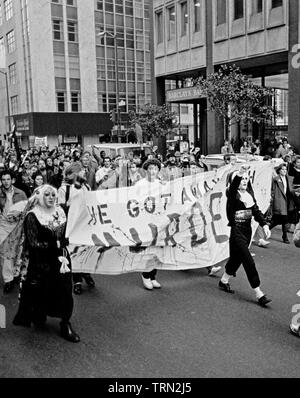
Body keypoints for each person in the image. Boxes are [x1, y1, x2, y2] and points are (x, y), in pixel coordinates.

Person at [12, 184, 80, 342]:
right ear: (40, 196)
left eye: (53, 195)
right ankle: (40, 314)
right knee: (42, 289)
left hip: (61, 259)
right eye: (47, 195)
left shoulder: (60, 211)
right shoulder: (33, 216)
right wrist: (55, 244)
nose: (51, 197)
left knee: (65, 290)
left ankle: (65, 323)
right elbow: (33, 243)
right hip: (41, 261)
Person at [218, 166, 272, 307]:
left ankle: (223, 281)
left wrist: (264, 224)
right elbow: (234, 184)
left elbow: (256, 210)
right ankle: (259, 292)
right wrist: (240, 173)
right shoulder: (232, 194)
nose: (244, 181)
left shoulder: (249, 195)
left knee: (236, 260)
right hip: (236, 231)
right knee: (248, 260)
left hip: (247, 231)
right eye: (242, 179)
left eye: (246, 179)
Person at [58, 164, 96, 295]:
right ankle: (77, 281)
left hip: (85, 224)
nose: (84, 172)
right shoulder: (64, 189)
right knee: (74, 252)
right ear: (72, 174)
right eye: (80, 171)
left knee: (86, 250)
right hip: (72, 225)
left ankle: (86, 273)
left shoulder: (86, 186)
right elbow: (60, 208)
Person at [135, 159, 163, 290]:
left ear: (158, 170)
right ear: (146, 170)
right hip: (145, 219)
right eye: (150, 169)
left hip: (158, 219)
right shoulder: (140, 184)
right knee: (147, 248)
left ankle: (153, 276)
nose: (152, 171)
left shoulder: (161, 183)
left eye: (155, 169)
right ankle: (145, 275)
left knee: (157, 249)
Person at [0, 170, 27, 293]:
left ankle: (15, 274)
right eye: (3, 179)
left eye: (8, 179)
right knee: (5, 254)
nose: (6, 182)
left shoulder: (20, 193)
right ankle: (8, 279)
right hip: (3, 226)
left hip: (17, 227)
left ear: (13, 180)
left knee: (17, 252)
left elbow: (27, 211)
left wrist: (18, 215)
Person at [268, 163, 295, 244]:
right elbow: (272, 190)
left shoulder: (288, 179)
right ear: (279, 171)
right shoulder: (276, 179)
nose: (284, 171)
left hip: (287, 201)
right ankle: (284, 236)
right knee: (283, 219)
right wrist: (272, 200)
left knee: (279, 219)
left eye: (285, 169)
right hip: (279, 200)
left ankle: (266, 229)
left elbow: (290, 189)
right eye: (282, 169)